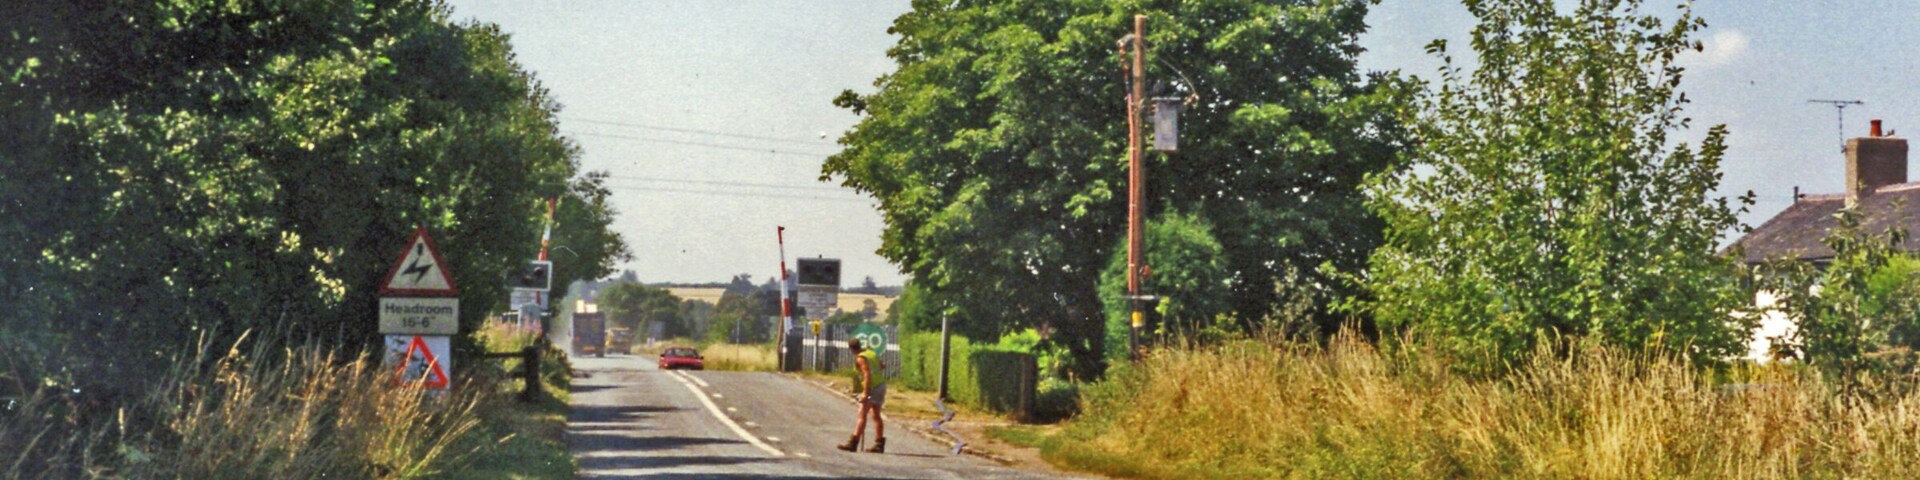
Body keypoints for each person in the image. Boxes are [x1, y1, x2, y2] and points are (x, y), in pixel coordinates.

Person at [836, 338, 886, 453]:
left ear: (852, 349)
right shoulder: (871, 353)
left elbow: (867, 374)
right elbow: (882, 366)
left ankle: (853, 443)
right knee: (876, 415)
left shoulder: (861, 358)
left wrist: (865, 393)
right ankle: (879, 444)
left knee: (862, 414)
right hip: (880, 385)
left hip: (872, 387)